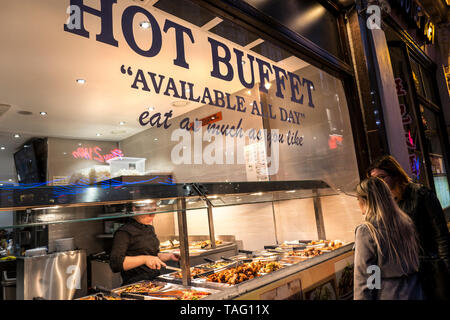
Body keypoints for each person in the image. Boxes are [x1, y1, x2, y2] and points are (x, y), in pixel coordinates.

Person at [367, 155, 450, 299]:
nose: (378, 184)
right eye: (374, 180)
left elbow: (441, 235)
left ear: (395, 175)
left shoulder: (421, 194)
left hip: (429, 267)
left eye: (382, 177)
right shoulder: (384, 204)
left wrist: (446, 268)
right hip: (406, 274)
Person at [354, 177, 423, 300]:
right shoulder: (405, 222)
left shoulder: (367, 230)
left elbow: (366, 276)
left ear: (365, 201)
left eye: (358, 199)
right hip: (415, 290)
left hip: (389, 293)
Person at [109, 201, 180, 285]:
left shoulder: (149, 228)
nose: (152, 215)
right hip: (135, 285)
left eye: (154, 210)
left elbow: (152, 255)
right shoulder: (123, 232)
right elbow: (115, 264)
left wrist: (169, 256)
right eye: (148, 210)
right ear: (134, 209)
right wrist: (145, 259)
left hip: (154, 281)